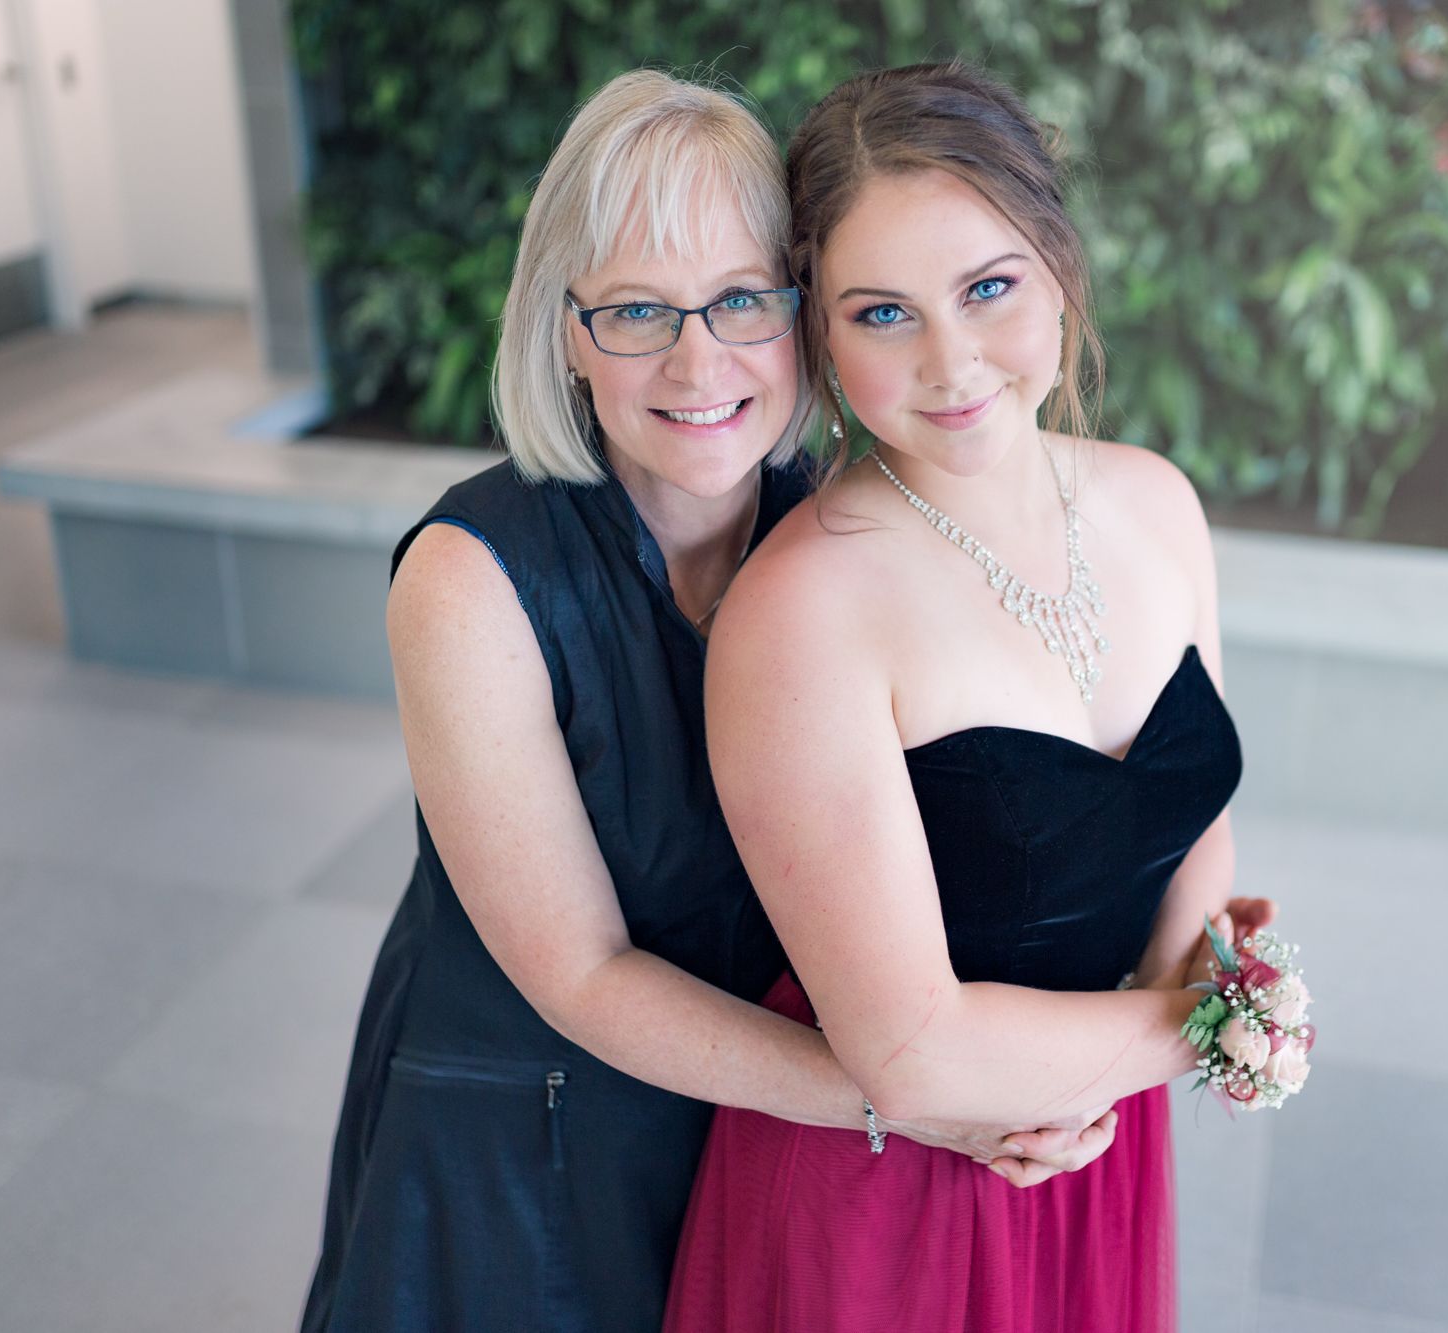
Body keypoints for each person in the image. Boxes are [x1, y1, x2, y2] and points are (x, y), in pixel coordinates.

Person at [298, 70, 1116, 1333]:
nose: (698, 360)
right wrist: (906, 1095)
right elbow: (579, 972)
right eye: (636, 310)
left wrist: (1054, 1052)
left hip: (775, 1131)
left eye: (741, 300)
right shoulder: (469, 583)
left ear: (802, 312)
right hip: (536, 1144)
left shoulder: (847, 529)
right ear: (565, 330)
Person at [664, 62, 1272, 1332]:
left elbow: (1195, 825)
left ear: (1056, 264)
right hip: (893, 1196)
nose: (950, 361)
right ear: (819, 334)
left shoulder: (1156, 502)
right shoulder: (804, 612)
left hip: (1093, 1147)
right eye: (880, 314)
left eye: (986, 288)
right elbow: (910, 1054)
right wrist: (1222, 1026)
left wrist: (1142, 1045)